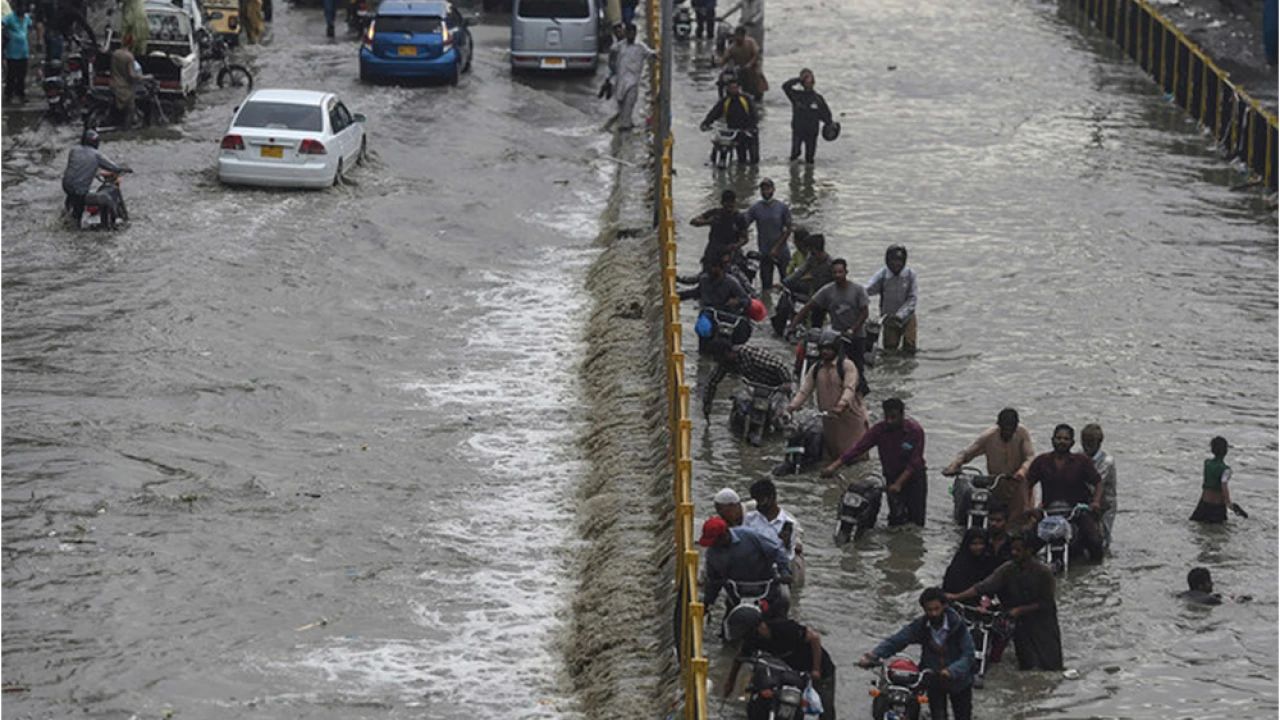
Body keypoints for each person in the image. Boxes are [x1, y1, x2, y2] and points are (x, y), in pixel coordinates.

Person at [948, 531, 1062, 671]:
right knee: (1027, 664)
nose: (1014, 553)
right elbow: (983, 587)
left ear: (1029, 551)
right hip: (1018, 623)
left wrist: (1020, 610)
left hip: (1042, 623)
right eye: (1012, 549)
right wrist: (956, 597)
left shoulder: (1044, 573)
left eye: (1018, 550)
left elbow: (1047, 603)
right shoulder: (1007, 569)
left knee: (1051, 665)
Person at [858, 587, 975, 720]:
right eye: (929, 610)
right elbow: (897, 640)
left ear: (944, 606)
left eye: (937, 609)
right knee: (938, 716)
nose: (934, 613)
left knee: (963, 716)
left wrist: (950, 671)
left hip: (960, 682)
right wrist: (873, 655)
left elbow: (968, 655)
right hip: (933, 679)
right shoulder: (921, 626)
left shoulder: (958, 626)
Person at [822, 397, 927, 527]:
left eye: (893, 417)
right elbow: (858, 448)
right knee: (895, 519)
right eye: (887, 417)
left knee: (916, 520)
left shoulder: (914, 431)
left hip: (913, 479)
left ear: (902, 415)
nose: (889, 421)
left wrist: (899, 484)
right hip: (891, 477)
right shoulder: (879, 430)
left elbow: (915, 461)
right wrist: (834, 466)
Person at [724, 615, 835, 719]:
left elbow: (814, 638)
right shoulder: (754, 640)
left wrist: (816, 669)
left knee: (825, 708)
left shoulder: (784, 628)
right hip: (793, 671)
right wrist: (730, 682)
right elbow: (740, 658)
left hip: (818, 667)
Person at [788, 258, 871, 397]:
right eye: (835, 272)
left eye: (840, 272)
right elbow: (809, 306)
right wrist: (792, 325)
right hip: (836, 337)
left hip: (856, 336)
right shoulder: (827, 290)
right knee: (833, 367)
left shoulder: (858, 290)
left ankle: (860, 397)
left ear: (846, 272)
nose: (838, 275)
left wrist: (852, 329)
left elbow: (864, 312)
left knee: (857, 370)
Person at [943, 408, 1036, 532]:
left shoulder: (1022, 433)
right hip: (997, 482)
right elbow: (967, 453)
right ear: (999, 426)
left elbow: (1030, 457)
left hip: (1018, 482)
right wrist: (954, 466)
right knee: (995, 517)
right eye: (1005, 429)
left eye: (1011, 430)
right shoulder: (989, 436)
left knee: (1020, 519)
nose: (1008, 433)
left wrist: (1022, 471)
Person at [784, 330, 867, 463]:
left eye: (828, 349)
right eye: (822, 349)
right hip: (829, 418)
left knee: (854, 455)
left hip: (850, 417)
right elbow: (804, 391)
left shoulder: (847, 366)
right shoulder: (816, 368)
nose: (825, 352)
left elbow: (849, 388)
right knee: (833, 453)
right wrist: (791, 407)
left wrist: (842, 404)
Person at [1027, 424, 1104, 560]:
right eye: (1059, 438)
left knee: (1095, 541)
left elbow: (1098, 482)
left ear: (1072, 443)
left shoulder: (1081, 461)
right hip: (1048, 511)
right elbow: (1026, 484)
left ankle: (1095, 573)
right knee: (1027, 543)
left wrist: (1095, 502)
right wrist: (1028, 507)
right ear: (1052, 440)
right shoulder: (1041, 461)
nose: (1062, 441)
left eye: (1066, 439)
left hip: (1076, 511)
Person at [698, 516, 792, 611]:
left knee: (779, 607)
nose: (714, 546)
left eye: (715, 542)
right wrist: (707, 603)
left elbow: (776, 551)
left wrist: (784, 572)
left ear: (725, 534)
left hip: (764, 587)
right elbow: (714, 581)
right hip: (736, 593)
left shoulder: (749, 535)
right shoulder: (712, 554)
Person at [701, 337, 792, 420]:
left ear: (727, 352)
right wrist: (707, 403)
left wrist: (787, 382)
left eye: (717, 357)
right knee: (741, 406)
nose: (717, 361)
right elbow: (712, 382)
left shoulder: (748, 354)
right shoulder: (725, 364)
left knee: (780, 416)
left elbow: (779, 366)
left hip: (776, 387)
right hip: (755, 385)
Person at [744, 479, 805, 589]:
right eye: (756, 501)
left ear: (772, 498)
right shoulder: (750, 519)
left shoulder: (789, 523)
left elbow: (789, 556)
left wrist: (786, 543)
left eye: (761, 500)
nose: (758, 505)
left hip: (778, 573)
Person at [61, 129, 130, 224]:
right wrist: (125, 169)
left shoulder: (74, 151)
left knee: (75, 205)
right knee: (107, 199)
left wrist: (97, 172)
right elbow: (114, 167)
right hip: (80, 193)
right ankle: (113, 222)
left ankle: (69, 215)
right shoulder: (97, 155)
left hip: (68, 189)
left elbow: (82, 167)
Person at [864, 244, 918, 354]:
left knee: (910, 347)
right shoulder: (882, 275)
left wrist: (901, 315)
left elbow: (912, 298)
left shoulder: (910, 274)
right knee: (889, 350)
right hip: (889, 318)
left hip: (908, 317)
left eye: (899, 261)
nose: (896, 264)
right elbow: (867, 289)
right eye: (893, 260)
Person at [744, 178, 792, 291]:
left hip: (782, 252)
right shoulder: (755, 208)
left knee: (788, 283)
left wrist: (777, 247)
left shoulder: (782, 208)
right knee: (766, 286)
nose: (765, 192)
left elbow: (788, 229)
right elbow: (744, 224)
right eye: (763, 189)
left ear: (773, 189)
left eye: (768, 189)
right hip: (764, 252)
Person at [699, 75, 758, 165]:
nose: (733, 90)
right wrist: (706, 123)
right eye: (731, 88)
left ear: (739, 88)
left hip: (748, 130)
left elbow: (754, 114)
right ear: (727, 88)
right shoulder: (725, 101)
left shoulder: (746, 99)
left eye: (735, 87)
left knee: (754, 159)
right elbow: (714, 113)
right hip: (734, 131)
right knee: (741, 157)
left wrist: (752, 127)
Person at [1190, 436, 1246, 523]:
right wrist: (1228, 503)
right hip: (1217, 506)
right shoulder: (1226, 469)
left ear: (1212, 450)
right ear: (1226, 451)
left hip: (1203, 503)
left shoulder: (1207, 463)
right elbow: (1224, 485)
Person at [782, 69, 833, 164]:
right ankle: (793, 176)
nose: (809, 81)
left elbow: (827, 116)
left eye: (810, 78)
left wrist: (830, 126)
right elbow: (785, 86)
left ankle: (809, 177)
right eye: (806, 78)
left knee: (810, 159)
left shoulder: (818, 98)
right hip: (798, 130)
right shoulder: (796, 95)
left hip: (812, 132)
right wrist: (798, 79)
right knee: (795, 155)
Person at [1080, 423, 1116, 550]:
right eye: (1084, 441)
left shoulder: (1107, 461)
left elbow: (1095, 481)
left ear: (1099, 442)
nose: (1086, 446)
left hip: (1104, 504)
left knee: (1102, 536)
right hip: (1084, 501)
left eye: (1091, 442)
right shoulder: (1079, 455)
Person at [782, 232, 833, 320]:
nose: (809, 252)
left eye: (810, 250)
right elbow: (800, 271)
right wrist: (784, 283)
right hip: (814, 294)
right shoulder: (811, 259)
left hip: (827, 297)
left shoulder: (830, 264)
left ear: (815, 249)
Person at [613, 23, 653, 132]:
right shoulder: (619, 46)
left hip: (633, 83)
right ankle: (627, 124)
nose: (630, 35)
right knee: (621, 106)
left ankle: (625, 133)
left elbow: (652, 54)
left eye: (632, 33)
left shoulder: (641, 47)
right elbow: (612, 59)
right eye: (628, 33)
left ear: (635, 33)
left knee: (629, 105)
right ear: (625, 34)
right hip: (620, 82)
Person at [689, 189, 749, 263]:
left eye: (732, 203)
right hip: (714, 250)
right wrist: (708, 222)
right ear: (722, 203)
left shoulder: (739, 218)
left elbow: (745, 239)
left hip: (732, 251)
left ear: (734, 203)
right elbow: (693, 221)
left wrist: (735, 246)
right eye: (727, 203)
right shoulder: (715, 214)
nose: (730, 205)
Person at [109, 33, 146, 128]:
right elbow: (132, 75)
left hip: (113, 85)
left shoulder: (115, 53)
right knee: (130, 109)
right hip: (123, 88)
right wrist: (145, 77)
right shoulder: (129, 57)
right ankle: (126, 130)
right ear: (132, 44)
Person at [942, 529, 989, 600]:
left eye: (981, 543)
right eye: (974, 544)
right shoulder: (958, 565)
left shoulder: (987, 561)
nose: (978, 547)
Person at [718, 25, 764, 97]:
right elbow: (725, 57)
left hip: (753, 68)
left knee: (757, 90)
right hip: (740, 69)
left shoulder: (750, 42)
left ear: (743, 36)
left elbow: (756, 54)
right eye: (736, 36)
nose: (737, 38)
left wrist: (750, 64)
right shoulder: (732, 47)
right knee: (725, 77)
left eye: (739, 36)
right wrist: (721, 61)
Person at [3, 1, 31, 104]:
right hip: (12, 52)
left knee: (22, 75)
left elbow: (29, 27)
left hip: (24, 51)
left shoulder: (27, 18)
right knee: (11, 74)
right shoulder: (10, 18)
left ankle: (21, 94)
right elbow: (2, 25)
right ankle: (8, 95)